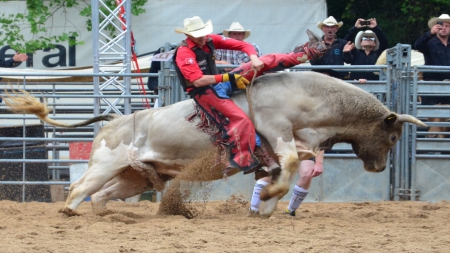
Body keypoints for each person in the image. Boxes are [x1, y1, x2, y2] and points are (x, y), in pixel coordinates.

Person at [173, 16, 326, 173]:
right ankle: (257, 156)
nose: (202, 37)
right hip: (203, 92)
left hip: (219, 83)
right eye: (198, 34)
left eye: (203, 33)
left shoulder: (209, 40)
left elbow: (243, 45)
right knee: (241, 120)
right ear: (188, 35)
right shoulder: (184, 52)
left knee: (265, 60)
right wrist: (229, 77)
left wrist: (253, 59)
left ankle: (308, 53)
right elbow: (198, 80)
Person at [248, 151, 324, 216]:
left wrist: (319, 163)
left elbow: (320, 139)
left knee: (307, 174)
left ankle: (290, 211)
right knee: (270, 172)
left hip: (304, 148)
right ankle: (253, 209)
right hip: (284, 144)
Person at [414, 14, 450, 137]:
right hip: (432, 84)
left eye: (447, 26)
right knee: (435, 117)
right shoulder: (429, 42)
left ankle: (432, 145)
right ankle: (435, 147)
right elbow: (417, 45)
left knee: (443, 118)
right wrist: (430, 33)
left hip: (448, 85)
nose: (443, 28)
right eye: (440, 26)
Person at [343, 18, 389, 83]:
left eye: (371, 38)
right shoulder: (355, 52)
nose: (368, 39)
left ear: (375, 43)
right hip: (356, 84)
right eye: (364, 38)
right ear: (360, 42)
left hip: (375, 86)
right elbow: (345, 43)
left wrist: (375, 28)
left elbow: (384, 42)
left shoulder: (379, 53)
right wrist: (355, 28)